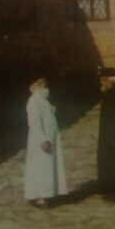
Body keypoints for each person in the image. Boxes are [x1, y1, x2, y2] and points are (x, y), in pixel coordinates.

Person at [24, 78, 67, 206]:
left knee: (48, 167)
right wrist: (43, 140)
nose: (44, 85)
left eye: (44, 83)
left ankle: (48, 193)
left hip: (50, 138)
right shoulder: (34, 101)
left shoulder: (44, 100)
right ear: (35, 85)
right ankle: (40, 196)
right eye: (40, 83)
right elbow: (34, 122)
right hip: (41, 141)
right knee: (41, 168)